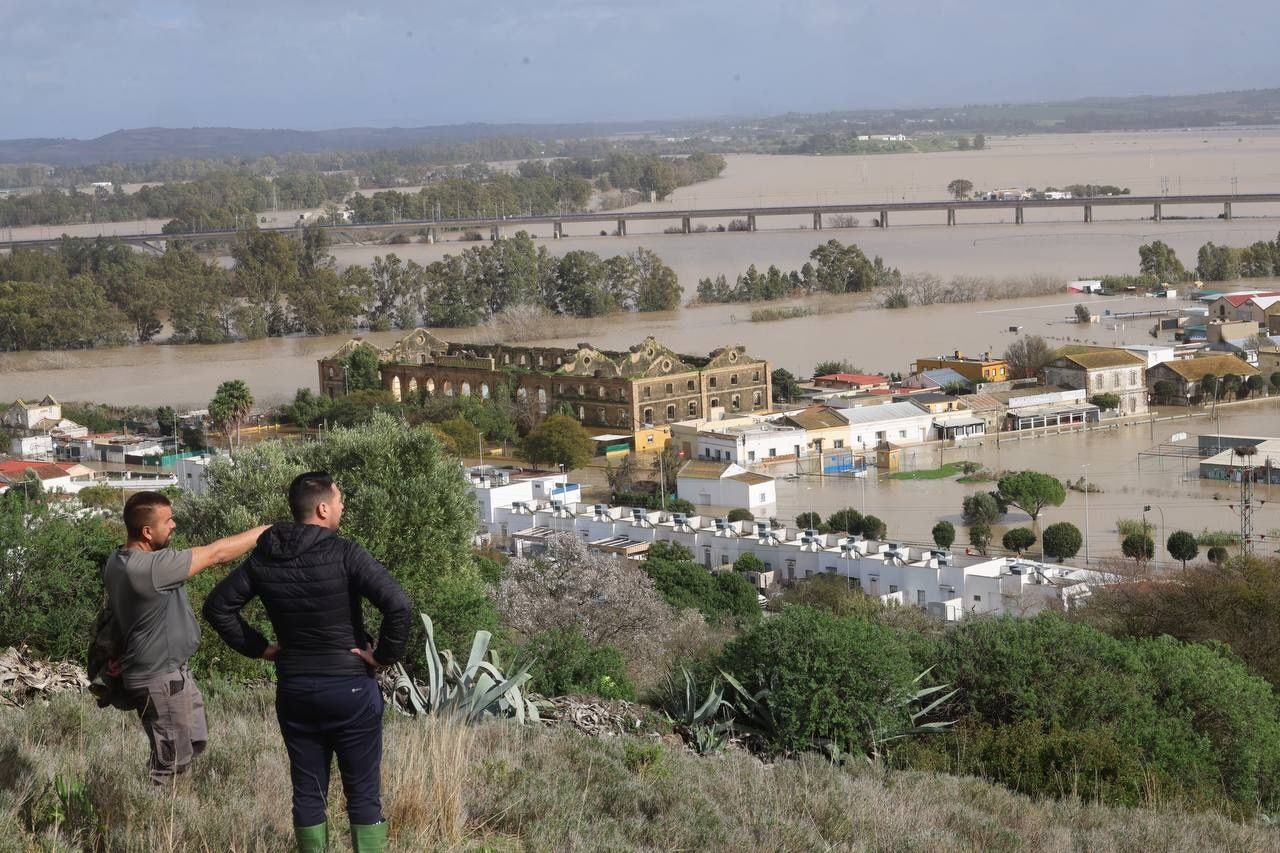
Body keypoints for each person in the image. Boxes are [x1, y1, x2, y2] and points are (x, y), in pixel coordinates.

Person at [203, 472, 411, 853]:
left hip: (296, 689)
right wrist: (382, 657)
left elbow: (218, 607)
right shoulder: (345, 552)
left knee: (308, 792)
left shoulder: (263, 558)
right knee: (363, 794)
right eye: (340, 500)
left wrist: (262, 649)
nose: (343, 506)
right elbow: (398, 605)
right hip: (349, 689)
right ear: (322, 508)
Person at [103, 491, 269, 785]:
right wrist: (267, 531)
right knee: (169, 765)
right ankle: (157, 819)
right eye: (167, 521)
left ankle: (170, 808)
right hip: (160, 679)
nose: (174, 525)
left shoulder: (118, 560)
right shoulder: (151, 569)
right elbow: (217, 553)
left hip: (169, 673)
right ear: (147, 531)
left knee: (191, 743)